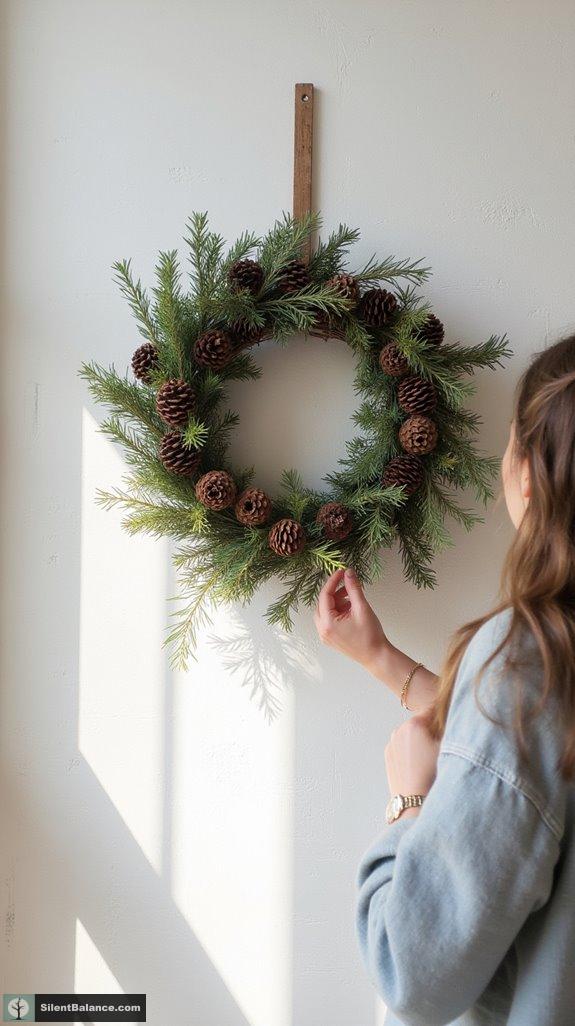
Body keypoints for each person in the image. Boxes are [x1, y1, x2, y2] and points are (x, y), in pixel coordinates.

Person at [314, 334, 575, 1026]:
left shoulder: (527, 662)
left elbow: (412, 973)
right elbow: (536, 757)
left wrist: (409, 801)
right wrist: (382, 659)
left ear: (527, 474)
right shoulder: (538, 671)